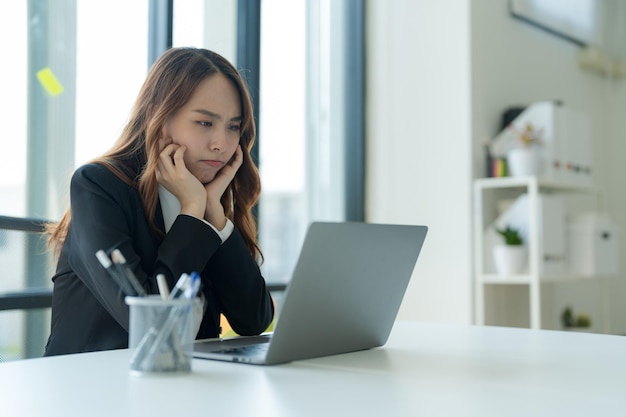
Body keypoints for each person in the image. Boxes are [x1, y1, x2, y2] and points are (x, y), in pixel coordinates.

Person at [43, 47, 275, 356]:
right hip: (97, 387)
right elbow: (150, 323)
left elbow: (254, 320)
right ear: (159, 115)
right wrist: (193, 213)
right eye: (205, 123)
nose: (222, 143)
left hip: (185, 386)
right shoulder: (98, 186)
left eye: (233, 126)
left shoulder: (209, 196)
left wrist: (214, 217)